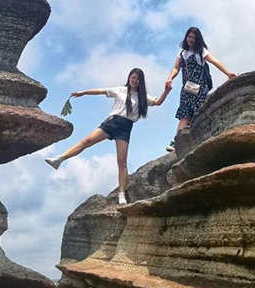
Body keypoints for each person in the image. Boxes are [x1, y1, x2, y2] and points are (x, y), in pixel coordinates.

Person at [45, 68, 171, 205]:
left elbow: (158, 102)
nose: (134, 80)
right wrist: (83, 93)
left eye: (137, 79)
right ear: (129, 78)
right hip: (112, 122)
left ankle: (121, 193)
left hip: (125, 127)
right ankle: (59, 159)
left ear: (141, 82)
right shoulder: (120, 90)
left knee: (122, 162)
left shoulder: (142, 97)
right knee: (86, 141)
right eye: (132, 77)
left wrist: (167, 90)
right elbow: (101, 91)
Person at [164, 27, 236, 152]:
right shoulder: (182, 53)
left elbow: (214, 61)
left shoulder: (201, 51)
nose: (191, 39)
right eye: (189, 37)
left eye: (193, 37)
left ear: (197, 39)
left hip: (200, 88)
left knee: (198, 115)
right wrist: (170, 78)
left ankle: (203, 138)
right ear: (186, 37)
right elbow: (176, 68)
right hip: (187, 89)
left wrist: (228, 73)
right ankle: (177, 142)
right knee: (184, 115)